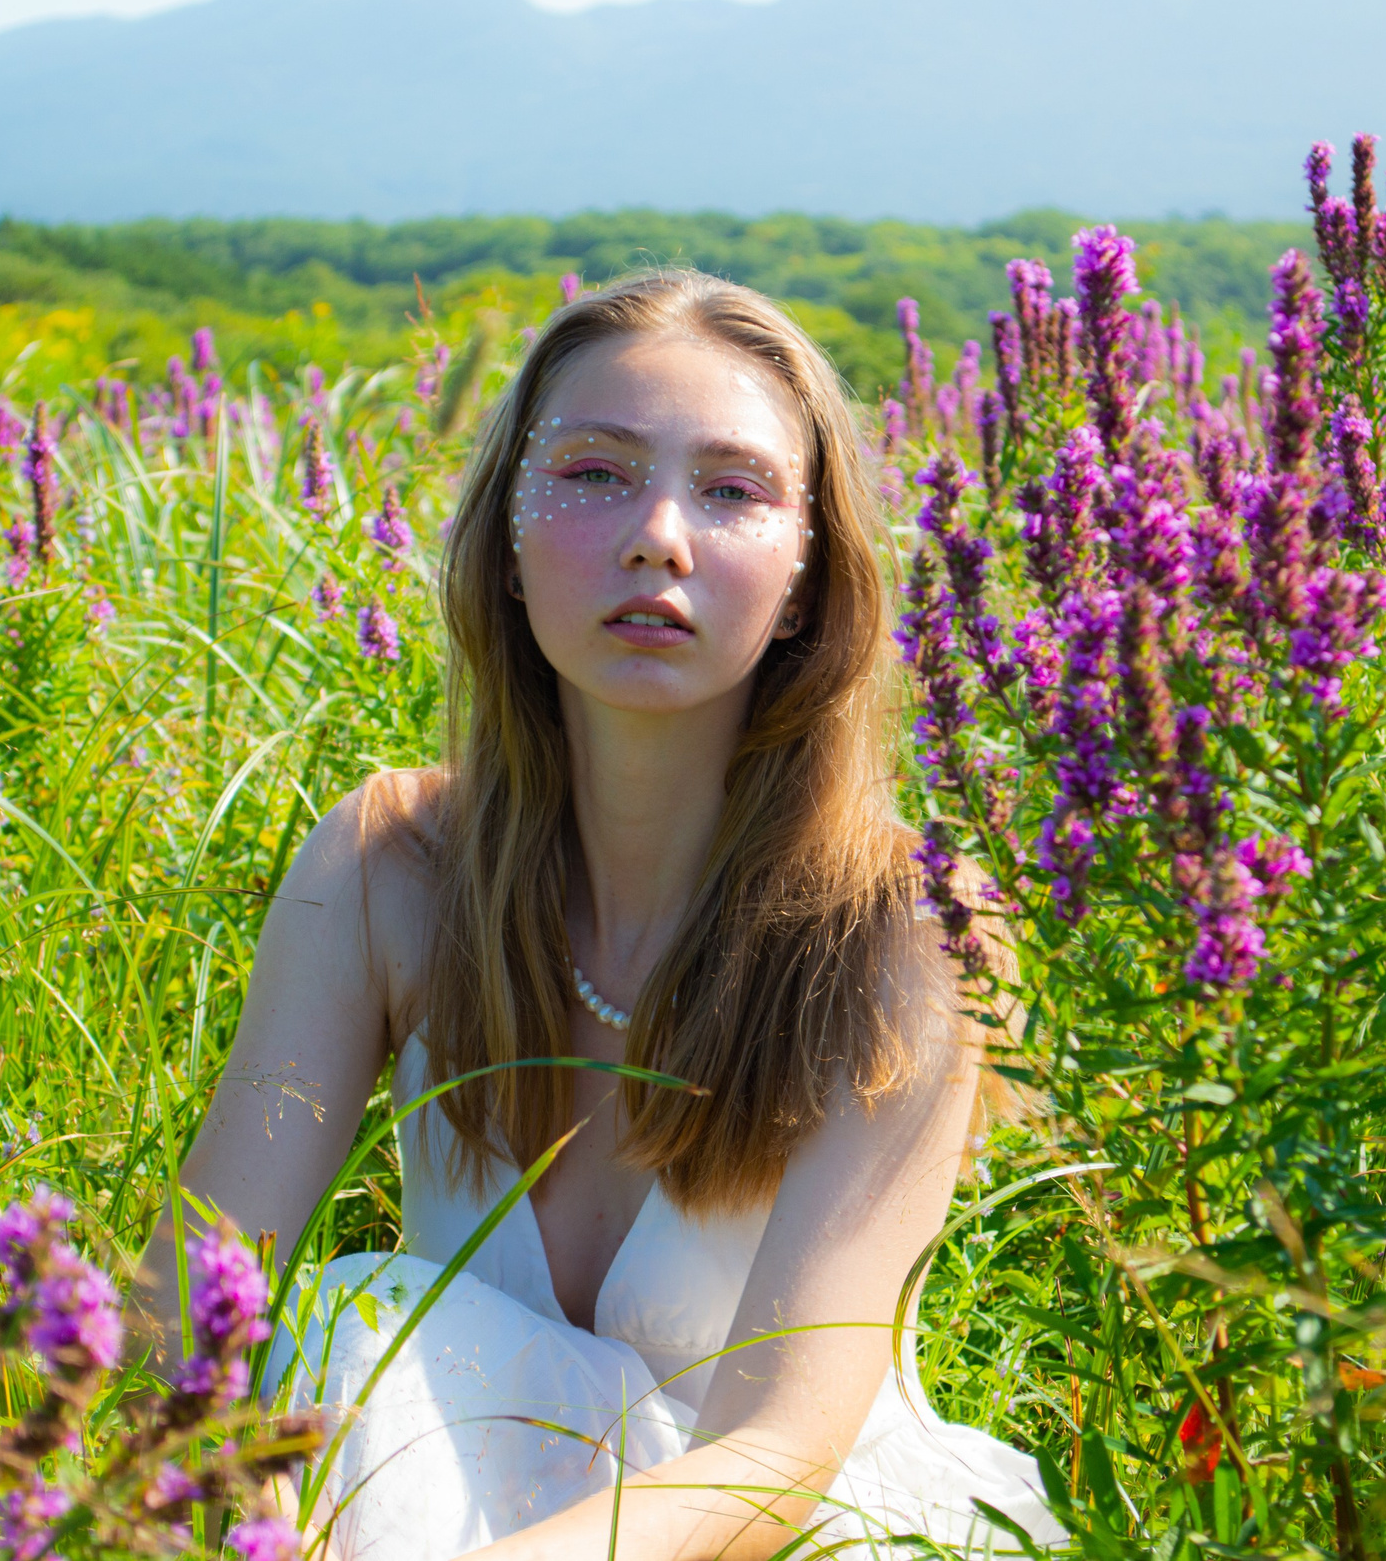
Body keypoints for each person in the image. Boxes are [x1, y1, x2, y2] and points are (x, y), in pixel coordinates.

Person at [141, 270, 1060, 1559]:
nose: (659, 537)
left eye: (732, 490)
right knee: (365, 1337)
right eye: (594, 473)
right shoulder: (386, 868)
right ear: (508, 539)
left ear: (804, 579)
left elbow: (780, 1451)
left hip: (777, 1533)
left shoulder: (903, 929)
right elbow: (187, 1308)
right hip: (433, 1504)